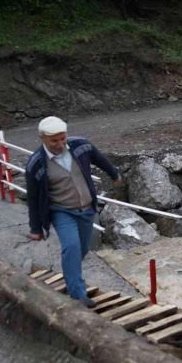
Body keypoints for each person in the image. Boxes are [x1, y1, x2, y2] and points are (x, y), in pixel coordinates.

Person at [25, 116, 121, 308]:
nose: (60, 144)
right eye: (54, 140)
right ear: (42, 137)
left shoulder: (80, 145)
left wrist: (113, 173)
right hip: (62, 211)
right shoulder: (36, 164)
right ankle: (78, 295)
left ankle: (71, 273)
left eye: (63, 138)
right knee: (71, 246)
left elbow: (99, 157)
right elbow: (33, 198)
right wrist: (35, 227)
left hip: (86, 207)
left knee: (83, 248)